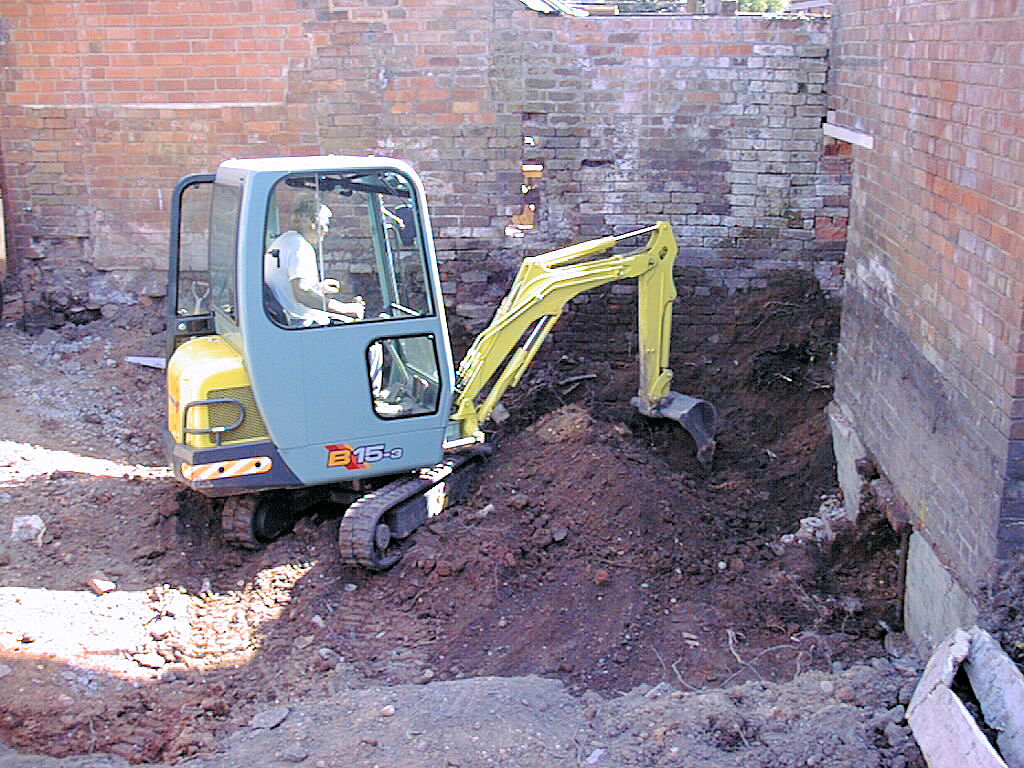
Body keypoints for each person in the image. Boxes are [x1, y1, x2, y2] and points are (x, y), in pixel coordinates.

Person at [264, 199, 365, 327]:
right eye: (325, 224)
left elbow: (287, 286)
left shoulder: (284, 241)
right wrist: (345, 308)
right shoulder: (300, 248)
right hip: (298, 323)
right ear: (313, 222)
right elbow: (302, 293)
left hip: (286, 317)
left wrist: (317, 288)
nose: (327, 230)